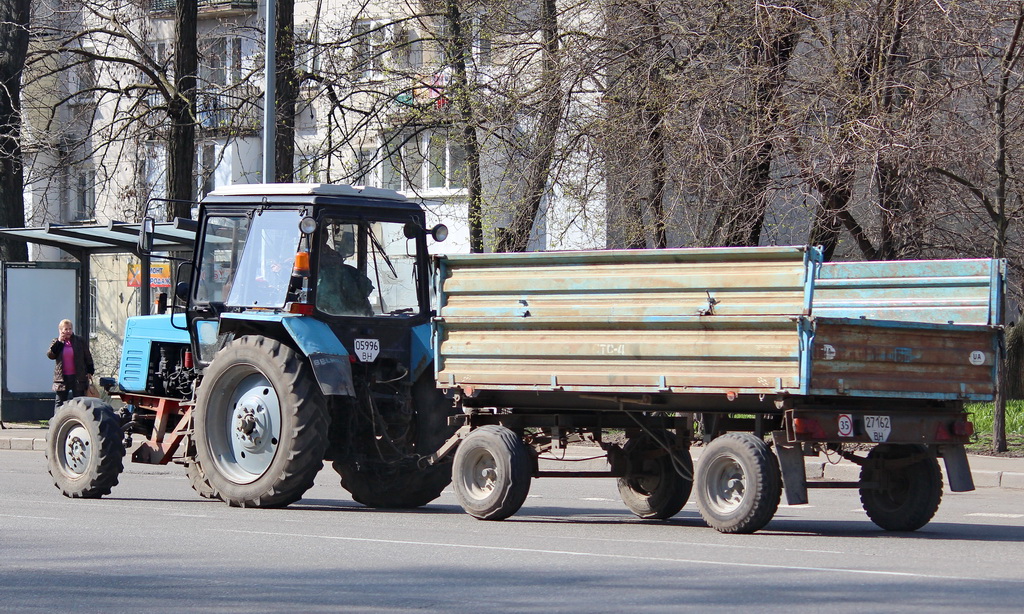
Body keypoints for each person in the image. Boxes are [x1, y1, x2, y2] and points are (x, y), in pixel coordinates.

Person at [46, 319, 94, 410]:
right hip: (62, 378)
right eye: (66, 329)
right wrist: (59, 341)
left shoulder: (79, 341)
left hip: (78, 377)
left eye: (70, 329)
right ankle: (58, 422)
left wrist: (90, 371)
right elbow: (51, 355)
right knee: (60, 403)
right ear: (60, 330)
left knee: (80, 402)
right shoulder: (56, 342)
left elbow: (87, 356)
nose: (68, 331)